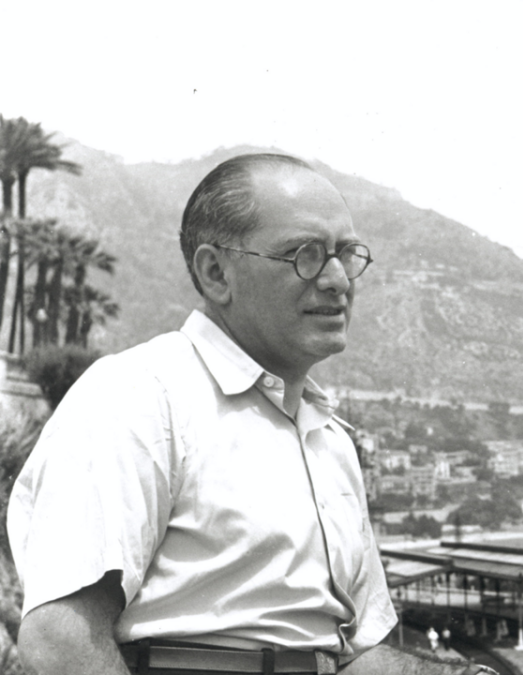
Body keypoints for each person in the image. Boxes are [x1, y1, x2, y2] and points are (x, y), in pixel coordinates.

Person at [8, 154, 485, 675]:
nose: (337, 280)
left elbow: (352, 657)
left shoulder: (329, 441)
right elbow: (60, 639)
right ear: (216, 273)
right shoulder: (141, 397)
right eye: (303, 254)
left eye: (346, 254)